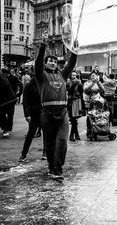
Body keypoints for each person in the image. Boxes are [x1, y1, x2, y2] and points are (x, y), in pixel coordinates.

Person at [34, 39, 77, 180]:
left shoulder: (62, 75)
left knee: (62, 141)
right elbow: (38, 62)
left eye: (54, 61)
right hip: (47, 114)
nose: (53, 62)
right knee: (50, 143)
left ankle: (58, 168)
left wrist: (74, 51)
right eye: (50, 61)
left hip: (63, 112)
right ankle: (52, 167)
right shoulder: (41, 76)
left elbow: (70, 64)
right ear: (46, 63)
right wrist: (43, 46)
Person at [19, 76, 46, 162]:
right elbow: (25, 101)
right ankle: (23, 154)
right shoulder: (29, 85)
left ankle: (45, 153)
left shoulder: (45, 83)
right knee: (30, 134)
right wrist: (27, 114)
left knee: (46, 134)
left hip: (45, 113)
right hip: (34, 114)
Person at [1, 68, 23, 136]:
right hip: (3, 101)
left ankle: (8, 129)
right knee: (2, 115)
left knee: (10, 115)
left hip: (11, 99)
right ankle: (5, 128)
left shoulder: (13, 78)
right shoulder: (3, 79)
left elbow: (21, 85)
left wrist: (18, 94)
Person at [67, 71, 85, 141]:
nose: (74, 76)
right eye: (73, 75)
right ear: (70, 76)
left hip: (78, 101)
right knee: (73, 119)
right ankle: (72, 135)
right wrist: (74, 84)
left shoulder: (79, 82)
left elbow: (81, 92)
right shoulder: (68, 82)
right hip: (71, 102)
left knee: (75, 119)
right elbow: (69, 92)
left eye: (75, 75)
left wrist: (80, 85)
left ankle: (76, 134)